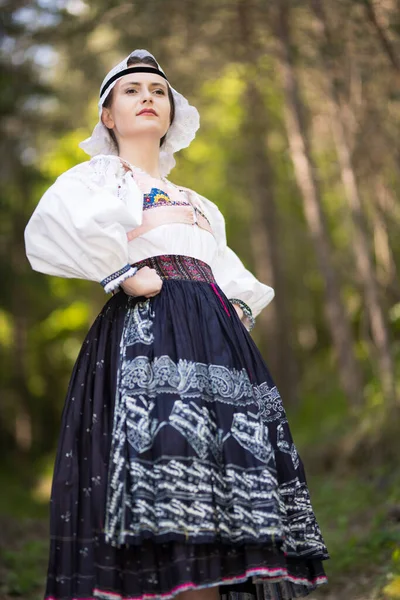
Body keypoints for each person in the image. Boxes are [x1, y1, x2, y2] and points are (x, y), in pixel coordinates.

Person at [24, 49, 329, 600]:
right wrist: (118, 271)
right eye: (132, 90)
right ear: (108, 116)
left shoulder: (200, 202)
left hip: (216, 346)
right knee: (166, 473)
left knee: (220, 486)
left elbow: (225, 268)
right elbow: (52, 229)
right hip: (146, 337)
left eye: (158, 90)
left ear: (172, 112)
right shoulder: (100, 178)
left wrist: (233, 310)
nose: (147, 97)